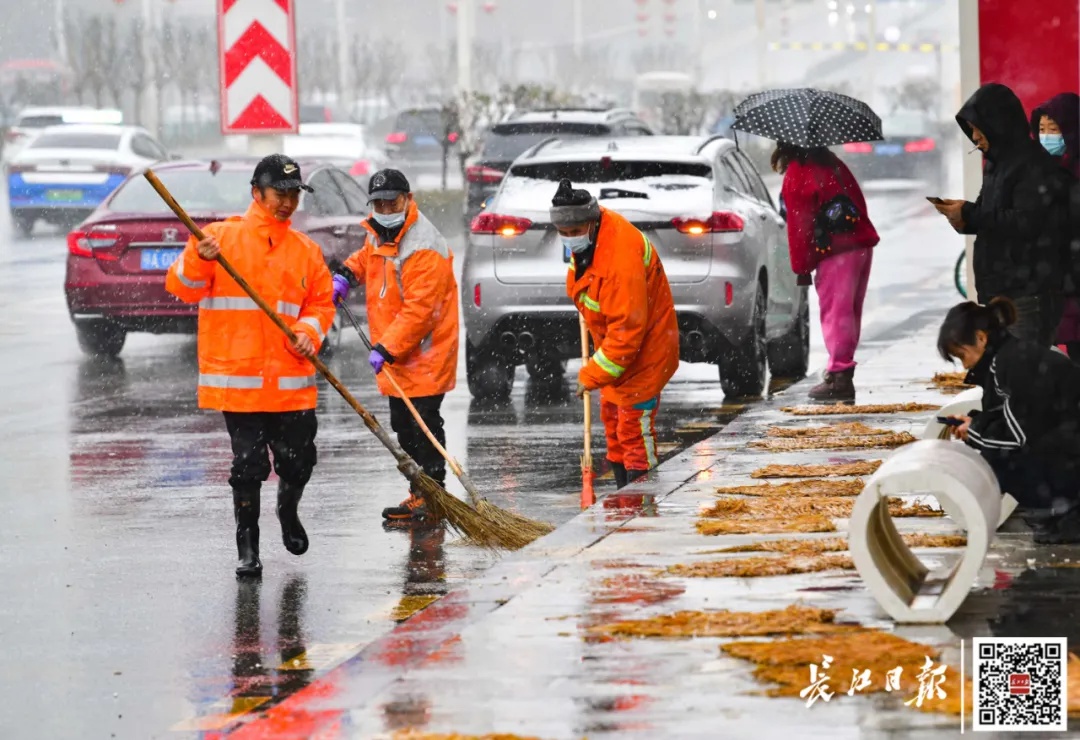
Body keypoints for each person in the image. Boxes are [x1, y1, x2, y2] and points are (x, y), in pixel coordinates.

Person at [165, 154, 336, 577]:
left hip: (291, 380)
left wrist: (309, 332)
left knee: (298, 463)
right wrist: (199, 259)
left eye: (294, 195)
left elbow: (320, 302)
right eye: (280, 194)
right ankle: (247, 546)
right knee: (248, 467)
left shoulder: (306, 251)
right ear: (257, 193)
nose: (287, 203)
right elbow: (182, 288)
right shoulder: (218, 239)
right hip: (238, 381)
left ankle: (288, 510)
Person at [331, 169, 459, 523]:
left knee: (424, 426)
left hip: (425, 352)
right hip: (399, 352)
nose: (386, 207)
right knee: (404, 427)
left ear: (408, 198)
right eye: (379, 202)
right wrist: (346, 273)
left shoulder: (422, 246)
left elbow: (421, 311)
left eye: (392, 201)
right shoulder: (382, 233)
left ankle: (434, 494)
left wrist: (386, 347)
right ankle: (421, 493)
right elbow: (368, 255)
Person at [551, 179, 680, 488]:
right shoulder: (591, 238)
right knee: (613, 426)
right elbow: (585, 282)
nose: (570, 240)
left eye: (575, 233)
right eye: (564, 235)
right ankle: (624, 499)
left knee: (633, 430)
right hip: (614, 349)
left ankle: (642, 503)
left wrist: (591, 374)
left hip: (644, 352)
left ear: (592, 224)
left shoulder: (620, 259)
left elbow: (627, 332)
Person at [934, 83, 1071, 347]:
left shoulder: (1032, 163)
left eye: (977, 128)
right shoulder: (996, 164)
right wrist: (962, 218)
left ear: (997, 123)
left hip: (1028, 292)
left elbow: (1027, 222)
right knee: (1008, 370)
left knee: (1025, 374)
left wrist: (971, 213)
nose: (974, 137)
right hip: (1000, 290)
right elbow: (992, 216)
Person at [938, 298, 1080, 545]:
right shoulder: (1007, 357)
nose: (965, 365)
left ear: (981, 338)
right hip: (1068, 448)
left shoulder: (1012, 363)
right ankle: (1063, 510)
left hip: (1071, 455)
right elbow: (1012, 415)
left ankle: (1069, 511)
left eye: (962, 355)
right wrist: (975, 421)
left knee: (999, 461)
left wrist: (975, 431)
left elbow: (1019, 433)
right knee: (995, 451)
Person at [773, 142, 879, 403]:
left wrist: (801, 267)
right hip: (860, 246)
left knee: (836, 313)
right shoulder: (833, 162)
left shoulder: (799, 172)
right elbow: (858, 202)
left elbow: (800, 226)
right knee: (849, 311)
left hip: (836, 251)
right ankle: (841, 371)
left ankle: (839, 376)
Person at [1031, 93, 1080, 358]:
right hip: (1058, 281)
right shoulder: (1039, 170)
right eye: (1041, 129)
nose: (1047, 136)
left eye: (1054, 129)